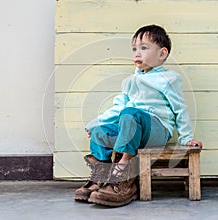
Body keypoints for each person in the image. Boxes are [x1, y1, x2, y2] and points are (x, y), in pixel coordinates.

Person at [74, 24, 202, 207]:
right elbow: (118, 109)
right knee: (101, 131)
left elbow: (180, 109)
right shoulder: (129, 82)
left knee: (130, 112)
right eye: (134, 48)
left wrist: (187, 138)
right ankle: (101, 177)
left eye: (144, 48)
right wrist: (96, 123)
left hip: (156, 131)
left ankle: (123, 170)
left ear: (162, 54)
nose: (137, 53)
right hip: (131, 129)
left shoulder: (167, 79)